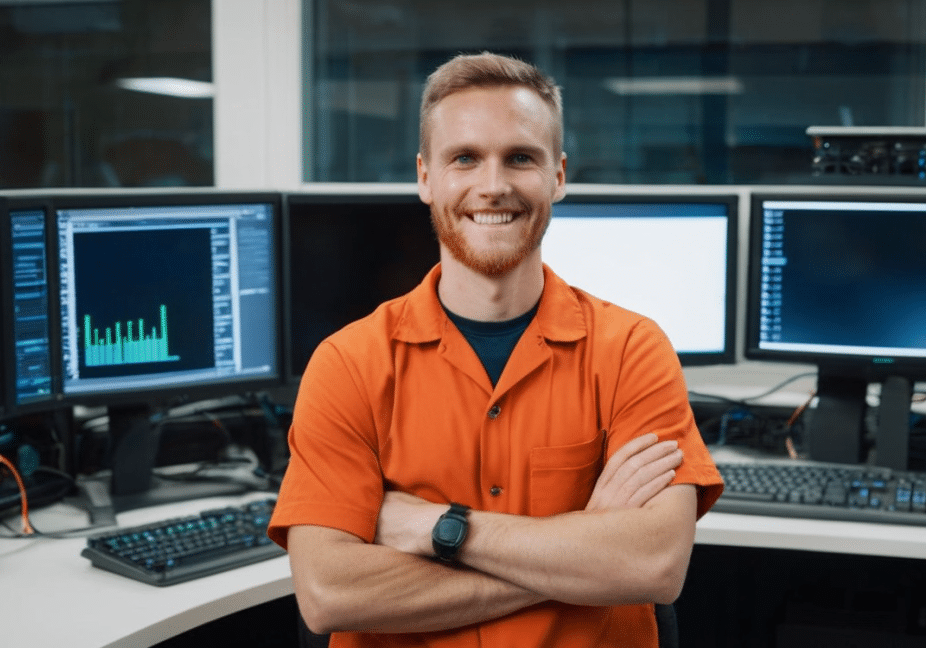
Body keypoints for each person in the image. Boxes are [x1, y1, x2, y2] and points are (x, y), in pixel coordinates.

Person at [267, 51, 723, 648]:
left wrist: (437, 528)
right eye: (464, 158)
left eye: (520, 158)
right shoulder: (348, 364)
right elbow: (329, 594)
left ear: (558, 176)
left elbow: (653, 567)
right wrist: (584, 548)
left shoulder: (632, 350)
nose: (493, 185)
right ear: (426, 178)